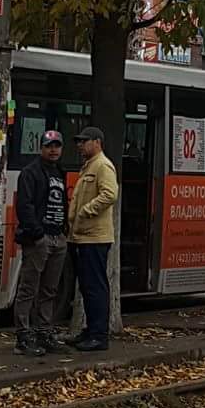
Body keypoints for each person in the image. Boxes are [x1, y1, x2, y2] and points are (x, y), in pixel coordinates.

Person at [12, 129, 69, 355]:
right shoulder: (30, 172)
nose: (53, 150)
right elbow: (24, 206)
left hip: (58, 237)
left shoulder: (59, 172)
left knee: (50, 289)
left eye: (57, 146)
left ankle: (44, 333)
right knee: (28, 288)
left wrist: (63, 232)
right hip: (39, 239)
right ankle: (23, 337)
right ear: (41, 148)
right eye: (49, 146)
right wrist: (38, 235)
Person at [67, 125, 118, 352]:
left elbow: (110, 194)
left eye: (84, 141)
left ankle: (99, 335)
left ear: (97, 142)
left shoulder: (102, 165)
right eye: (78, 141)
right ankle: (90, 331)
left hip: (95, 238)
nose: (80, 145)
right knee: (87, 287)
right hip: (82, 236)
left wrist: (86, 211)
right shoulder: (89, 165)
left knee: (95, 287)